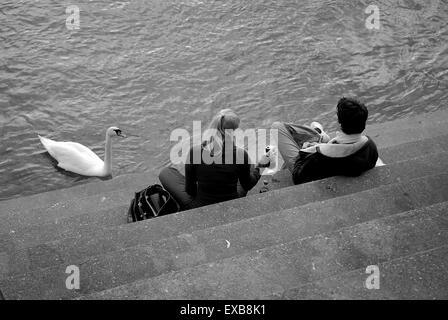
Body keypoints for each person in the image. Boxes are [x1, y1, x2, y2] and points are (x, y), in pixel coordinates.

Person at [159, 109, 267, 210]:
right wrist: (262, 166)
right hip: (233, 202)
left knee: (166, 172)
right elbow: (248, 185)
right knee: (251, 166)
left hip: (200, 206)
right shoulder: (241, 154)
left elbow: (190, 191)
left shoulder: (195, 152)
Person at [271, 97, 379, 185]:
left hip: (305, 166)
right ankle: (320, 136)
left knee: (277, 127)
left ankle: (319, 135)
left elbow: (298, 177)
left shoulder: (321, 156)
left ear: (339, 123)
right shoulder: (371, 147)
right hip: (337, 154)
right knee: (312, 134)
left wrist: (305, 150)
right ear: (363, 124)